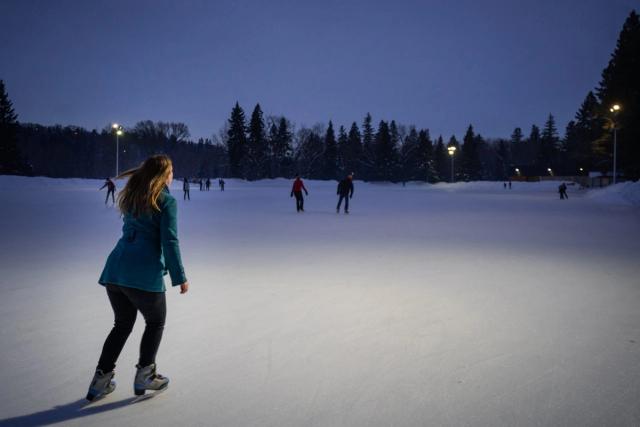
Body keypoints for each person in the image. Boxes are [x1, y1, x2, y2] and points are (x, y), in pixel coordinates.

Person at [87, 155, 189, 402]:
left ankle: (100, 381)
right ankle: (145, 374)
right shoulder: (165, 200)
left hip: (116, 270)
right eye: (172, 170)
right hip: (142, 272)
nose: (173, 175)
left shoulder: (134, 196)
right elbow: (170, 241)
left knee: (122, 325)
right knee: (155, 322)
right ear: (164, 174)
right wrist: (180, 277)